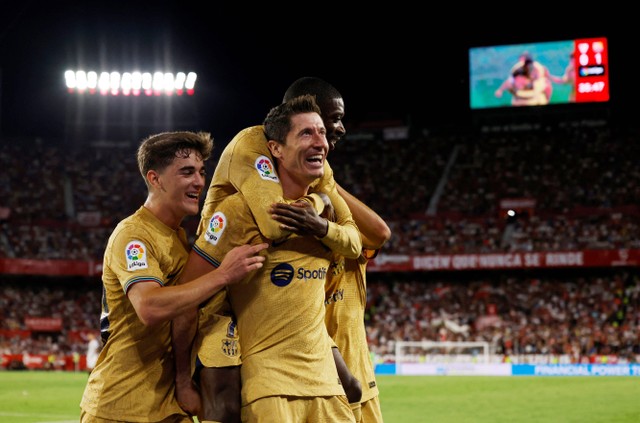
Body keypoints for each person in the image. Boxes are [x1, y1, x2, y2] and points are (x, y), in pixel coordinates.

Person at [172, 80, 363, 421]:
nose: (329, 134)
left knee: (352, 387)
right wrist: (182, 379)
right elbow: (274, 224)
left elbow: (358, 240)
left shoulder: (322, 174)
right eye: (312, 129)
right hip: (221, 295)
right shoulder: (248, 156)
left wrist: (319, 210)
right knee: (225, 406)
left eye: (324, 129)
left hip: (303, 347)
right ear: (276, 146)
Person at [79, 131, 268, 422]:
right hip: (121, 406)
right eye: (187, 172)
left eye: (202, 172)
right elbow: (150, 307)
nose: (199, 182)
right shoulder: (133, 235)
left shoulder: (178, 238)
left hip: (170, 406)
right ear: (155, 179)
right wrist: (223, 275)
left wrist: (182, 380)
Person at [281, 77, 390, 422]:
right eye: (334, 119)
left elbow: (379, 234)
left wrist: (325, 184)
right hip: (311, 384)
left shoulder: (338, 211)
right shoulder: (269, 205)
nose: (340, 129)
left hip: (360, 378)